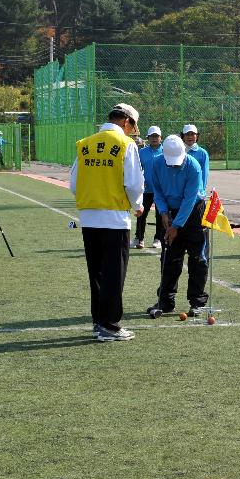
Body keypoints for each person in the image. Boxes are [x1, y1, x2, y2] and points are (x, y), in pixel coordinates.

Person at [69, 103, 144, 342]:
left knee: (97, 273)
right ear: (126, 122)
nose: (134, 131)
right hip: (115, 218)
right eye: (134, 125)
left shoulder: (86, 144)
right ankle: (110, 326)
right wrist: (138, 205)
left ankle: (98, 322)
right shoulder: (126, 145)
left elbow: (73, 183)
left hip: (89, 217)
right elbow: (133, 184)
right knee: (114, 274)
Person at [148, 135, 209, 318]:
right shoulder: (157, 164)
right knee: (169, 258)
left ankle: (197, 302)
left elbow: (190, 200)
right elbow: (157, 191)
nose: (174, 164)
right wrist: (164, 213)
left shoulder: (193, 166)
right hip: (170, 211)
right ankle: (165, 302)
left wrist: (175, 225)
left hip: (193, 213)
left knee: (197, 258)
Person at [133, 125, 165, 250]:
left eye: (156, 136)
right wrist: (141, 181)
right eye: (152, 136)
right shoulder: (142, 152)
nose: (154, 138)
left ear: (161, 138)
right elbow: (138, 169)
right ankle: (139, 238)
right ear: (148, 138)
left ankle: (158, 238)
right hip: (145, 190)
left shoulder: (165, 151)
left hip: (160, 190)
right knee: (141, 213)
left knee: (160, 214)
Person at [181, 124, 209, 190]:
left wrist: (201, 190)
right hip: (181, 191)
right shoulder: (178, 151)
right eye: (187, 134)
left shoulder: (203, 153)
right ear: (183, 136)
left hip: (196, 191)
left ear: (197, 136)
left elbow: (204, 174)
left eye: (192, 134)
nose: (190, 137)